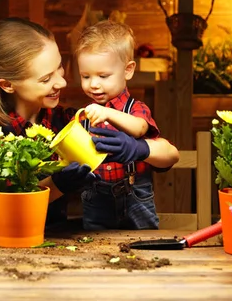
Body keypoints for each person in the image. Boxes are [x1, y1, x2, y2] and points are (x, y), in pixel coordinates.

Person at [0, 17, 178, 231]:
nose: (62, 82)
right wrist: (56, 185)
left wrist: (139, 148)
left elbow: (168, 152)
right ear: (7, 85)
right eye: (45, 79)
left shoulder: (67, 121)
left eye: (60, 68)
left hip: (54, 241)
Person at [74, 20, 179, 230]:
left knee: (146, 243)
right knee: (97, 247)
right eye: (86, 76)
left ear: (128, 70)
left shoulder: (135, 108)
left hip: (134, 194)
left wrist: (108, 113)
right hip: (96, 197)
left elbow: (140, 128)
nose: (93, 84)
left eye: (103, 76)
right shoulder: (83, 115)